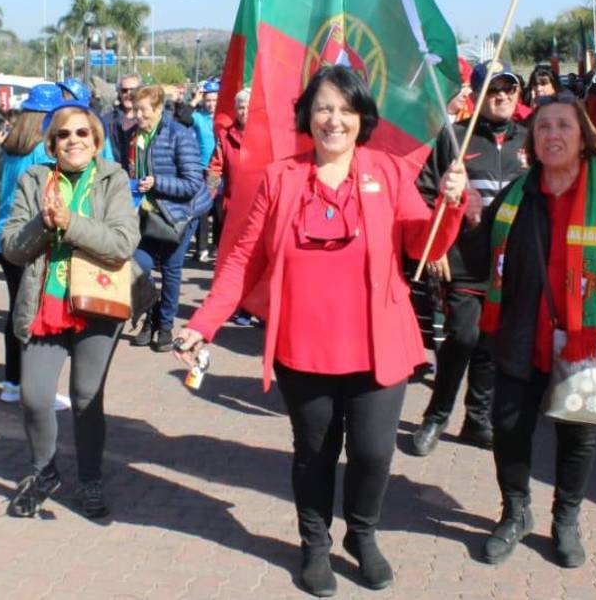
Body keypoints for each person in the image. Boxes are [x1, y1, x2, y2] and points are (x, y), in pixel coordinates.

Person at [175, 66, 470, 597]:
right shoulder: (280, 177)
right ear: (308, 117)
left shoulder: (389, 171)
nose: (335, 120)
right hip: (303, 346)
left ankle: (362, 534)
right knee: (314, 453)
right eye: (324, 109)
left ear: (363, 119)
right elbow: (244, 258)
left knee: (375, 452)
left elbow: (424, 243)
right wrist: (204, 323)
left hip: (380, 344)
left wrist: (450, 205)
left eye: (346, 110)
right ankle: (314, 545)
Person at [461, 91, 596, 569]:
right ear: (532, 137)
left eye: (563, 126)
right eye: (544, 127)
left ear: (583, 137)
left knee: (578, 434)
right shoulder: (519, 192)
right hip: (519, 336)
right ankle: (514, 513)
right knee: (509, 429)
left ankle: (566, 518)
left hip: (585, 340)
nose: (553, 135)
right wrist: (467, 215)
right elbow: (475, 258)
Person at [0, 105, 139, 520]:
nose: (73, 140)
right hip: (47, 302)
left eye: (83, 133)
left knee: (85, 397)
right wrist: (43, 225)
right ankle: (44, 473)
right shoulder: (34, 179)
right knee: (35, 396)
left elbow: (122, 242)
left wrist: (71, 223)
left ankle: (91, 478)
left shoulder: (113, 178)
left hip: (98, 303)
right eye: (63, 134)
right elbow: (10, 246)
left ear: (96, 141)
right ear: (51, 143)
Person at [410, 60, 530, 456]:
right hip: (463, 260)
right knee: (462, 337)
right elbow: (425, 193)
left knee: (491, 343)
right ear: (475, 96)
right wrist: (435, 245)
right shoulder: (453, 138)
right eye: (492, 90)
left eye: (508, 89)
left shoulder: (529, 141)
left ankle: (477, 420)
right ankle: (436, 414)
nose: (501, 97)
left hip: (510, 264)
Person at [0, 84, 73, 411]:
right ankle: (35, 388)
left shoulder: (13, 146)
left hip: (4, 237)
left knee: (16, 309)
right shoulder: (44, 151)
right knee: (36, 313)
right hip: (32, 238)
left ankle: (12, 382)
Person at [124, 85, 208, 351]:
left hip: (179, 215)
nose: (137, 115)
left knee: (171, 270)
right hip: (147, 216)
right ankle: (150, 314)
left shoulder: (179, 135)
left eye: (143, 110)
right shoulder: (133, 136)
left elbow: (193, 183)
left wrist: (157, 183)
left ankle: (165, 325)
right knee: (139, 267)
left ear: (159, 108)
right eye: (135, 109)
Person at [206, 87, 256, 326]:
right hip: (233, 208)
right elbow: (215, 168)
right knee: (236, 261)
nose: (244, 111)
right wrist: (208, 194)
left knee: (261, 261)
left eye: (248, 107)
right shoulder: (225, 137)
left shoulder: (266, 136)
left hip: (261, 209)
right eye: (240, 107)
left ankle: (261, 307)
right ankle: (241, 308)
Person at [190, 80, 219, 262]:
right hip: (202, 169)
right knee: (201, 210)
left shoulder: (225, 117)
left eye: (215, 100)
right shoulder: (198, 117)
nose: (211, 104)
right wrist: (194, 100)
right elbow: (181, 118)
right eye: (208, 100)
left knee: (218, 211)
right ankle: (201, 248)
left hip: (218, 170)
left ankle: (216, 245)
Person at [101, 74, 140, 147]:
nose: (128, 94)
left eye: (133, 90)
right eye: (124, 90)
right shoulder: (108, 120)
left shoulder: (148, 119)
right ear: (119, 93)